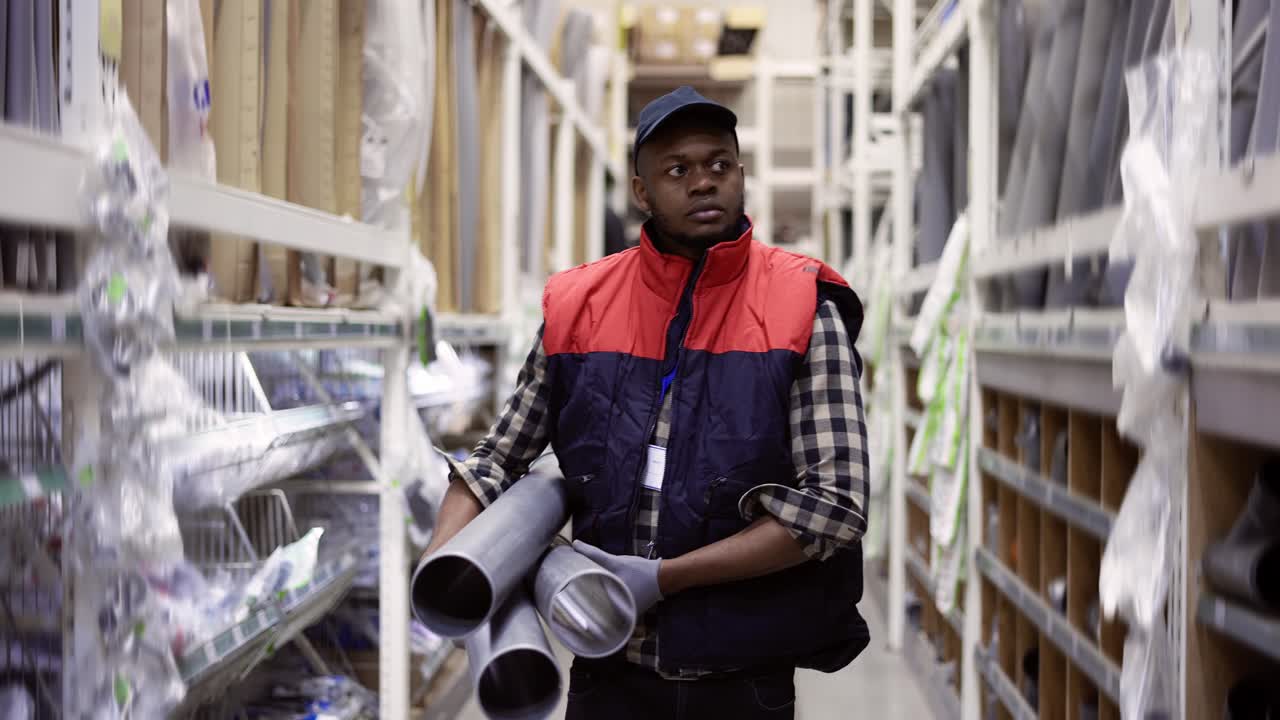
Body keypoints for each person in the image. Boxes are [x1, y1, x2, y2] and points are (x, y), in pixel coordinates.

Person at [421, 86, 871, 719]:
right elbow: (497, 460)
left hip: (742, 681)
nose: (703, 183)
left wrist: (664, 579)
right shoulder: (581, 305)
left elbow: (834, 509)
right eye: (678, 170)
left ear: (741, 175)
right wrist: (445, 559)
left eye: (719, 165)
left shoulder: (802, 306)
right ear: (641, 191)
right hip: (609, 676)